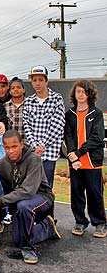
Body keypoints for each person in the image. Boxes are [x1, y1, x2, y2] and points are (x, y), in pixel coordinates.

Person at [0, 130, 61, 264]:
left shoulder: (34, 159)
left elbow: (28, 191)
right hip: (19, 200)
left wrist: (0, 202)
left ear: (21, 144)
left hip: (42, 196)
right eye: (7, 147)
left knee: (24, 207)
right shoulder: (2, 164)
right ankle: (47, 226)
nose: (11, 151)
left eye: (14, 146)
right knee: (17, 239)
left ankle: (28, 249)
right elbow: (7, 191)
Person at [64, 80, 106, 238]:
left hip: (92, 162)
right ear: (74, 94)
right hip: (75, 163)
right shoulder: (69, 114)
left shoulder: (96, 114)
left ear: (89, 94)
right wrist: (72, 155)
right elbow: (67, 136)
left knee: (95, 194)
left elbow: (98, 138)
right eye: (78, 91)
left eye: (84, 92)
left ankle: (100, 223)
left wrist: (79, 152)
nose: (80, 94)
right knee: (76, 194)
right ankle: (80, 222)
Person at [23, 65, 65, 188]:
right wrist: (35, 146)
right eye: (34, 80)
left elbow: (58, 125)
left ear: (46, 81)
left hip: (49, 151)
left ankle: (48, 208)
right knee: (32, 186)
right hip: (33, 152)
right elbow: (26, 125)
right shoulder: (29, 101)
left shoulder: (57, 99)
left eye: (40, 80)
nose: (37, 83)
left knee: (47, 187)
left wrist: (42, 145)